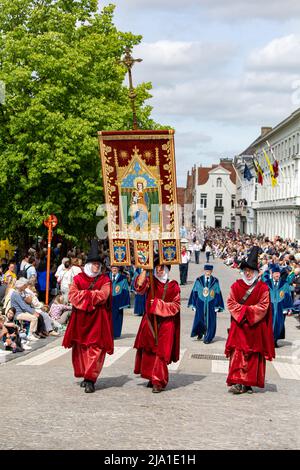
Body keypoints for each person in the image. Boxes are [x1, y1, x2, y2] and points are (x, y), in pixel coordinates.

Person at [62, 240, 113, 394]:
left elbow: (104, 295)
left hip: (98, 320)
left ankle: (91, 378)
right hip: (80, 319)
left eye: (99, 264)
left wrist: (84, 295)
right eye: (94, 264)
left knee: (96, 349)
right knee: (81, 348)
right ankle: (85, 375)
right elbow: (72, 295)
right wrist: (91, 295)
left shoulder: (104, 279)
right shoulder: (78, 279)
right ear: (89, 264)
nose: (97, 266)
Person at [225, 247, 275, 394]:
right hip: (239, 326)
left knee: (253, 355)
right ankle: (238, 381)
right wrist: (245, 313)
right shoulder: (236, 286)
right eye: (245, 270)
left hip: (255, 327)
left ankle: (248, 383)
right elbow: (231, 303)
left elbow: (264, 306)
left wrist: (246, 312)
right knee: (238, 354)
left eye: (250, 271)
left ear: (255, 272)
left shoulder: (263, 288)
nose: (247, 273)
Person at [133, 257, 181, 393]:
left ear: (167, 269)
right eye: (157, 267)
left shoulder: (174, 285)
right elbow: (139, 288)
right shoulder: (150, 281)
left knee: (161, 352)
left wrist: (158, 305)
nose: (159, 270)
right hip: (150, 321)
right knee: (149, 349)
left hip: (166, 323)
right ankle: (151, 376)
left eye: (162, 268)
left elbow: (175, 306)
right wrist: (145, 269)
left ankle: (158, 381)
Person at [188, 264, 224, 343]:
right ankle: (200, 332)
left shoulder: (215, 281)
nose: (208, 273)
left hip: (211, 303)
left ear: (211, 271)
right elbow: (195, 292)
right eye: (207, 271)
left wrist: (217, 305)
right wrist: (194, 304)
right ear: (204, 271)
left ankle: (208, 337)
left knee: (211, 320)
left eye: (209, 271)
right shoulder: (199, 280)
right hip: (200, 302)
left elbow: (217, 293)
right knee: (200, 319)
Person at [264, 265, 293, 347]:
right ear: (272, 274)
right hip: (269, 306)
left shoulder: (284, 284)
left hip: (281, 307)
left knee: (279, 324)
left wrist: (288, 308)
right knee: (268, 323)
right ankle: (269, 340)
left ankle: (275, 340)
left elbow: (288, 295)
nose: (277, 275)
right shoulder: (267, 283)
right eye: (275, 273)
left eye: (278, 273)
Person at [109, 266, 130, 339]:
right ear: (110, 268)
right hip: (107, 300)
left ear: (118, 269)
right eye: (113, 268)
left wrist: (124, 302)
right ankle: (107, 333)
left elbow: (125, 289)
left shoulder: (123, 278)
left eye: (116, 268)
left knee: (117, 317)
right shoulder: (106, 276)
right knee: (107, 318)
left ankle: (115, 333)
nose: (114, 269)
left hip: (118, 300)